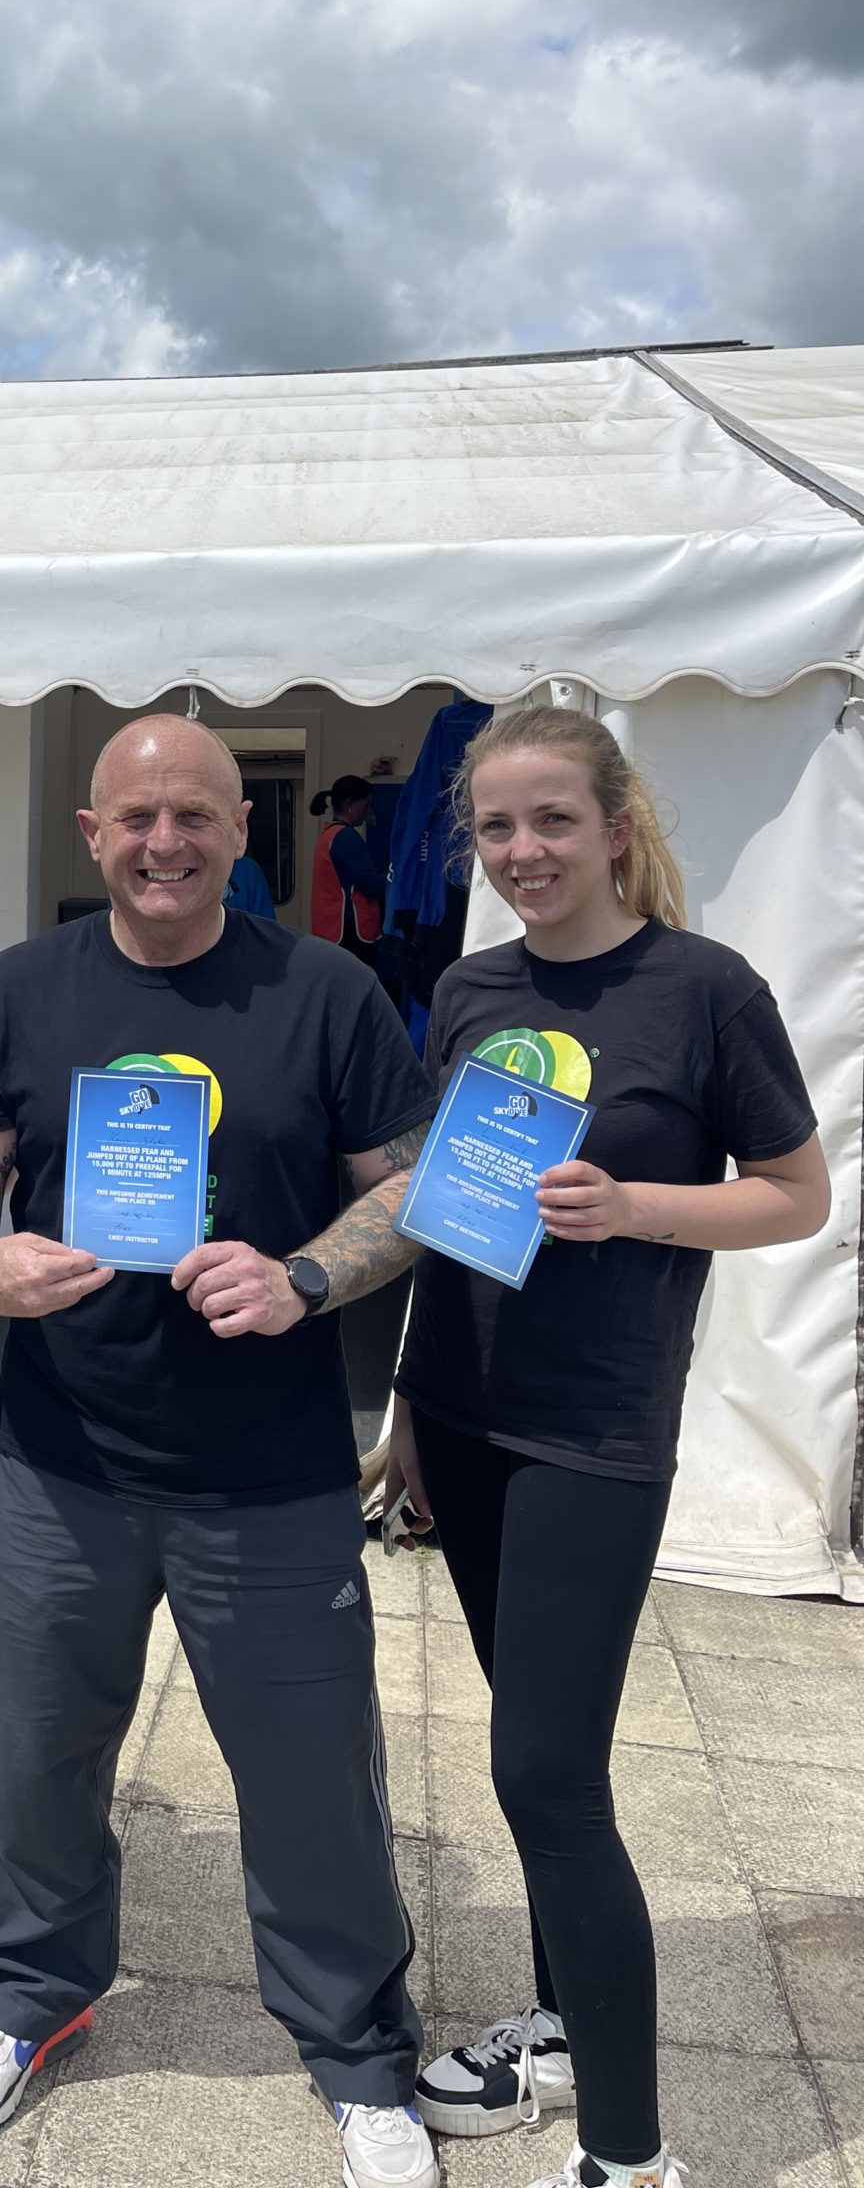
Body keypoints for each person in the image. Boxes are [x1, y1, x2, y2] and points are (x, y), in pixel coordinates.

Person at [0, 714, 444, 2188]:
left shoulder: (324, 992)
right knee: (33, 1756)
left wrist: (303, 1279)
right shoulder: (21, 990)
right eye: (137, 817)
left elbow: (405, 1197)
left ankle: (357, 2051)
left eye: (196, 817)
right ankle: (30, 1994)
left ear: (237, 834)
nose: (165, 842)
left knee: (309, 1778)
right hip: (62, 1457)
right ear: (92, 833)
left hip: (267, 1472)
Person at [386, 705, 827, 2188]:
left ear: (617, 825)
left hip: (591, 1434)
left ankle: (631, 2161)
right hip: (463, 1413)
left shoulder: (704, 990)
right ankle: (565, 2028)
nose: (524, 853)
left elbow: (796, 1193)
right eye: (498, 830)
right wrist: (404, 1413)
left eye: (553, 823)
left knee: (548, 1778)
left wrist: (637, 1207)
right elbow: (447, 1219)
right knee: (534, 1757)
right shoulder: (467, 988)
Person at [311, 776, 386, 961]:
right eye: (365, 805)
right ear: (349, 804)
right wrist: (398, 872)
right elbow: (371, 883)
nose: (368, 811)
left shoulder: (328, 834)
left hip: (331, 928)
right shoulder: (345, 837)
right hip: (348, 929)